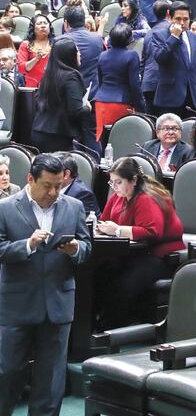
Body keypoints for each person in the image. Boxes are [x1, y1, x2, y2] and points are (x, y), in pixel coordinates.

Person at [0, 153, 91, 416]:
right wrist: (28, 245)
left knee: (50, 380)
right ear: (30, 179)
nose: (54, 192)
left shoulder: (73, 206)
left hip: (58, 302)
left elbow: (87, 247)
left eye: (59, 186)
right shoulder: (5, 207)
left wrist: (75, 249)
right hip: (17, 303)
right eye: (47, 185)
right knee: (7, 372)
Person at [95, 157, 184, 328]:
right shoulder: (118, 196)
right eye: (112, 183)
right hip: (130, 253)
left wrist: (118, 230)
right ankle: (94, 325)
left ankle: (110, 330)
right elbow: (104, 220)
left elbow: (152, 232)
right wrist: (102, 228)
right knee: (98, 273)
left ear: (134, 179)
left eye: (119, 182)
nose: (114, 187)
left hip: (158, 257)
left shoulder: (147, 198)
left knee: (121, 286)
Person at [30, 38, 89, 153]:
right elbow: (76, 111)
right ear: (69, 55)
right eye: (77, 51)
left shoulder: (48, 75)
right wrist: (87, 108)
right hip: (58, 135)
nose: (79, 54)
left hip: (39, 131)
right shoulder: (71, 76)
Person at [150, 1, 196, 117]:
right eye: (178, 19)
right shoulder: (158, 35)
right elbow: (160, 58)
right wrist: (174, 37)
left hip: (192, 98)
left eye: (186, 19)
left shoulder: (195, 38)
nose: (182, 23)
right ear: (169, 17)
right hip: (169, 99)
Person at [95, 23, 146, 140]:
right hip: (121, 103)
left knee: (104, 139)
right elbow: (134, 85)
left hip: (101, 102)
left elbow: (100, 80)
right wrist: (141, 107)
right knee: (122, 139)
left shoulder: (102, 55)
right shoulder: (131, 55)